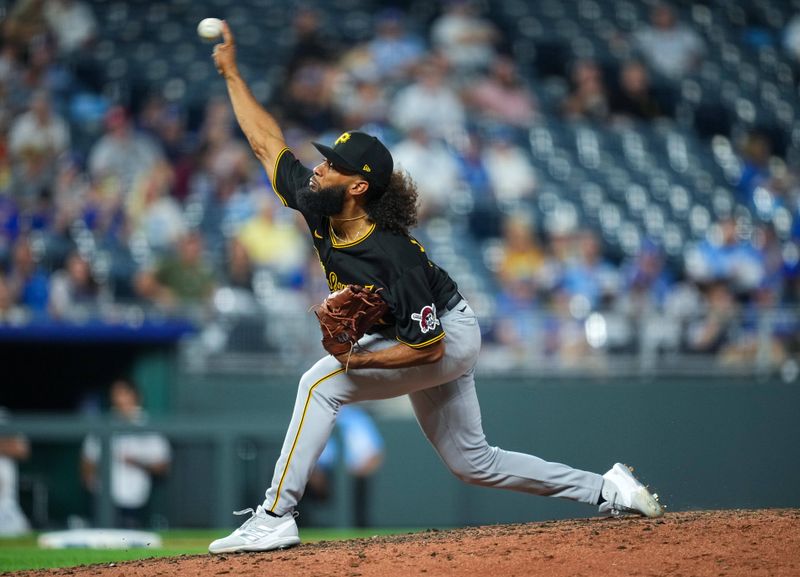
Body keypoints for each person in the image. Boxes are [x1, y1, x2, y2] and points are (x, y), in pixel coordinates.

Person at [206, 22, 664, 555]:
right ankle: (610, 490)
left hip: (446, 332)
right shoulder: (317, 205)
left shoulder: (391, 256)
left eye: (332, 165)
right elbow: (266, 144)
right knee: (475, 463)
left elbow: (431, 348)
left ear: (357, 187)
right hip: (419, 335)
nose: (320, 168)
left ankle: (274, 515)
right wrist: (233, 74)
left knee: (320, 383)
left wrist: (358, 362)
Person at [80, 378, 171, 529]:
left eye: (123, 394)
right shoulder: (105, 423)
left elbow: (163, 466)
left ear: (136, 396)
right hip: (104, 499)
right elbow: (88, 459)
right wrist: (90, 482)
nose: (119, 399)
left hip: (135, 500)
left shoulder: (148, 425)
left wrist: (136, 462)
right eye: (116, 394)